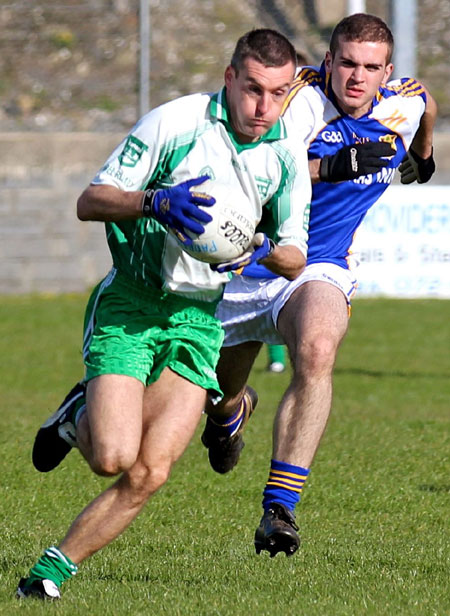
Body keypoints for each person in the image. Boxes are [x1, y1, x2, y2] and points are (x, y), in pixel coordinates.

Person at [18, 29, 312, 600]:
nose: (263, 107)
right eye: (252, 89)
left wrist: (260, 248)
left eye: (278, 94)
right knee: (111, 457)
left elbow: (296, 256)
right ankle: (80, 409)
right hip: (132, 301)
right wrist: (152, 200)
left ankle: (50, 573)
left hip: (199, 317)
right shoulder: (174, 124)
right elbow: (90, 200)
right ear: (229, 78)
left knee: (151, 470)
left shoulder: (284, 155)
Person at [201, 13, 437, 558]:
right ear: (327, 62)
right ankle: (231, 412)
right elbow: (252, 164)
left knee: (316, 347)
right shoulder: (298, 99)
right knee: (216, 393)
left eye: (370, 67)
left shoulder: (404, 100)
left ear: (387, 71)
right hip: (246, 264)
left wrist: (424, 155)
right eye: (347, 63)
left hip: (317, 267)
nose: (357, 77)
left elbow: (427, 106)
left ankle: (278, 510)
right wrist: (333, 165)